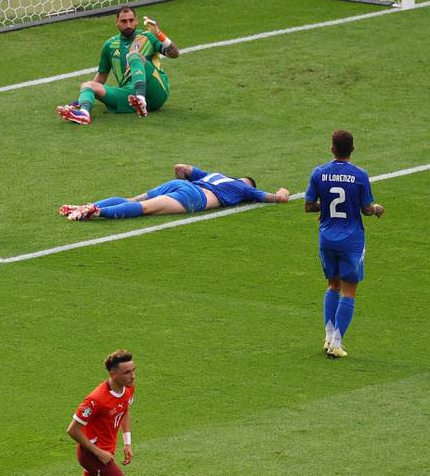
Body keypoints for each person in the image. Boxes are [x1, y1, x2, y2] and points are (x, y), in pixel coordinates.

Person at [304, 130, 384, 359]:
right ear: (353, 149)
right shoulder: (360, 175)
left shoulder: (319, 173)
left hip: (326, 238)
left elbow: (308, 206)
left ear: (332, 149)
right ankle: (336, 344)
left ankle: (328, 337)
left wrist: (325, 205)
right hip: (351, 240)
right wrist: (377, 209)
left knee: (332, 285)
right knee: (349, 290)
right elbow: (367, 209)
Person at [57, 7, 179, 125]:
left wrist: (158, 33)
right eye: (124, 21)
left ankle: (141, 99)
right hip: (129, 97)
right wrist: (83, 98)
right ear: (117, 23)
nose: (128, 25)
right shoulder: (109, 45)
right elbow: (101, 77)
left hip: (156, 91)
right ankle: (84, 114)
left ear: (136, 21)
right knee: (87, 85)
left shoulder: (148, 37)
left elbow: (174, 54)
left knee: (134, 56)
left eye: (131, 20)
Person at [60, 163, 290, 221]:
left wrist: (184, 169)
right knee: (145, 209)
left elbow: (183, 169)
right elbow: (271, 198)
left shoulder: (216, 174)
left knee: (132, 199)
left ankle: (86, 205)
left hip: (180, 185)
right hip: (194, 197)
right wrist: (282, 193)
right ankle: (97, 212)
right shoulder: (242, 187)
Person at [67, 350, 136, 476]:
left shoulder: (128, 387)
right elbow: (72, 430)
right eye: (127, 372)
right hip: (91, 454)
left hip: (108, 449)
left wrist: (127, 444)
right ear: (113, 374)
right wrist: (99, 453)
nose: (132, 376)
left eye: (133, 370)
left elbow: (124, 411)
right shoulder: (96, 400)